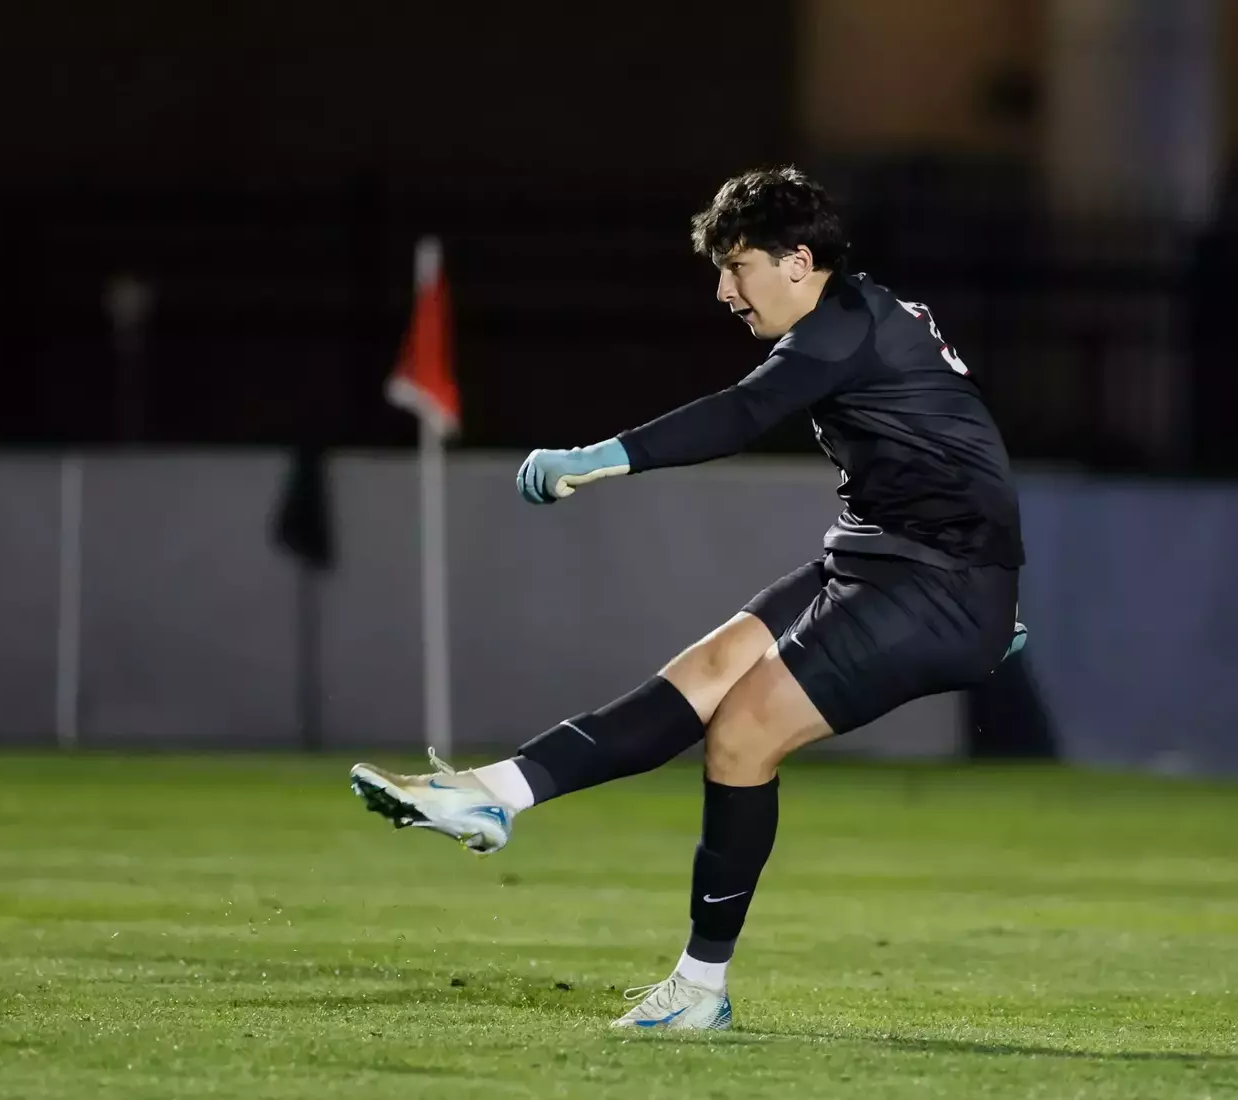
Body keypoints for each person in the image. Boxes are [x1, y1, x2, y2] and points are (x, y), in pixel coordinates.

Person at [348, 165, 1028, 1031]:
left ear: (798, 262)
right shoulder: (860, 318)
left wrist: (600, 458)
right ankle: (493, 793)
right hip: (886, 563)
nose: (724, 292)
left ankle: (700, 989)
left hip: (939, 586)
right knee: (706, 674)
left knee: (741, 735)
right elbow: (966, 439)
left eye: (737, 267)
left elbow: (742, 416)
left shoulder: (843, 327)